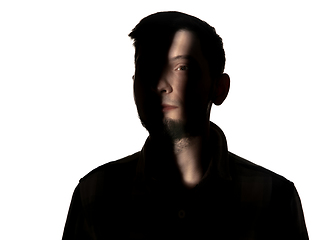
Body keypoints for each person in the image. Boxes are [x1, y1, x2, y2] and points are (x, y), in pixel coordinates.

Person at [62, 11, 309, 239]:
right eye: (148, 67)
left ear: (219, 88)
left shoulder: (273, 198)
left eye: (181, 67)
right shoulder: (95, 194)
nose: (160, 84)